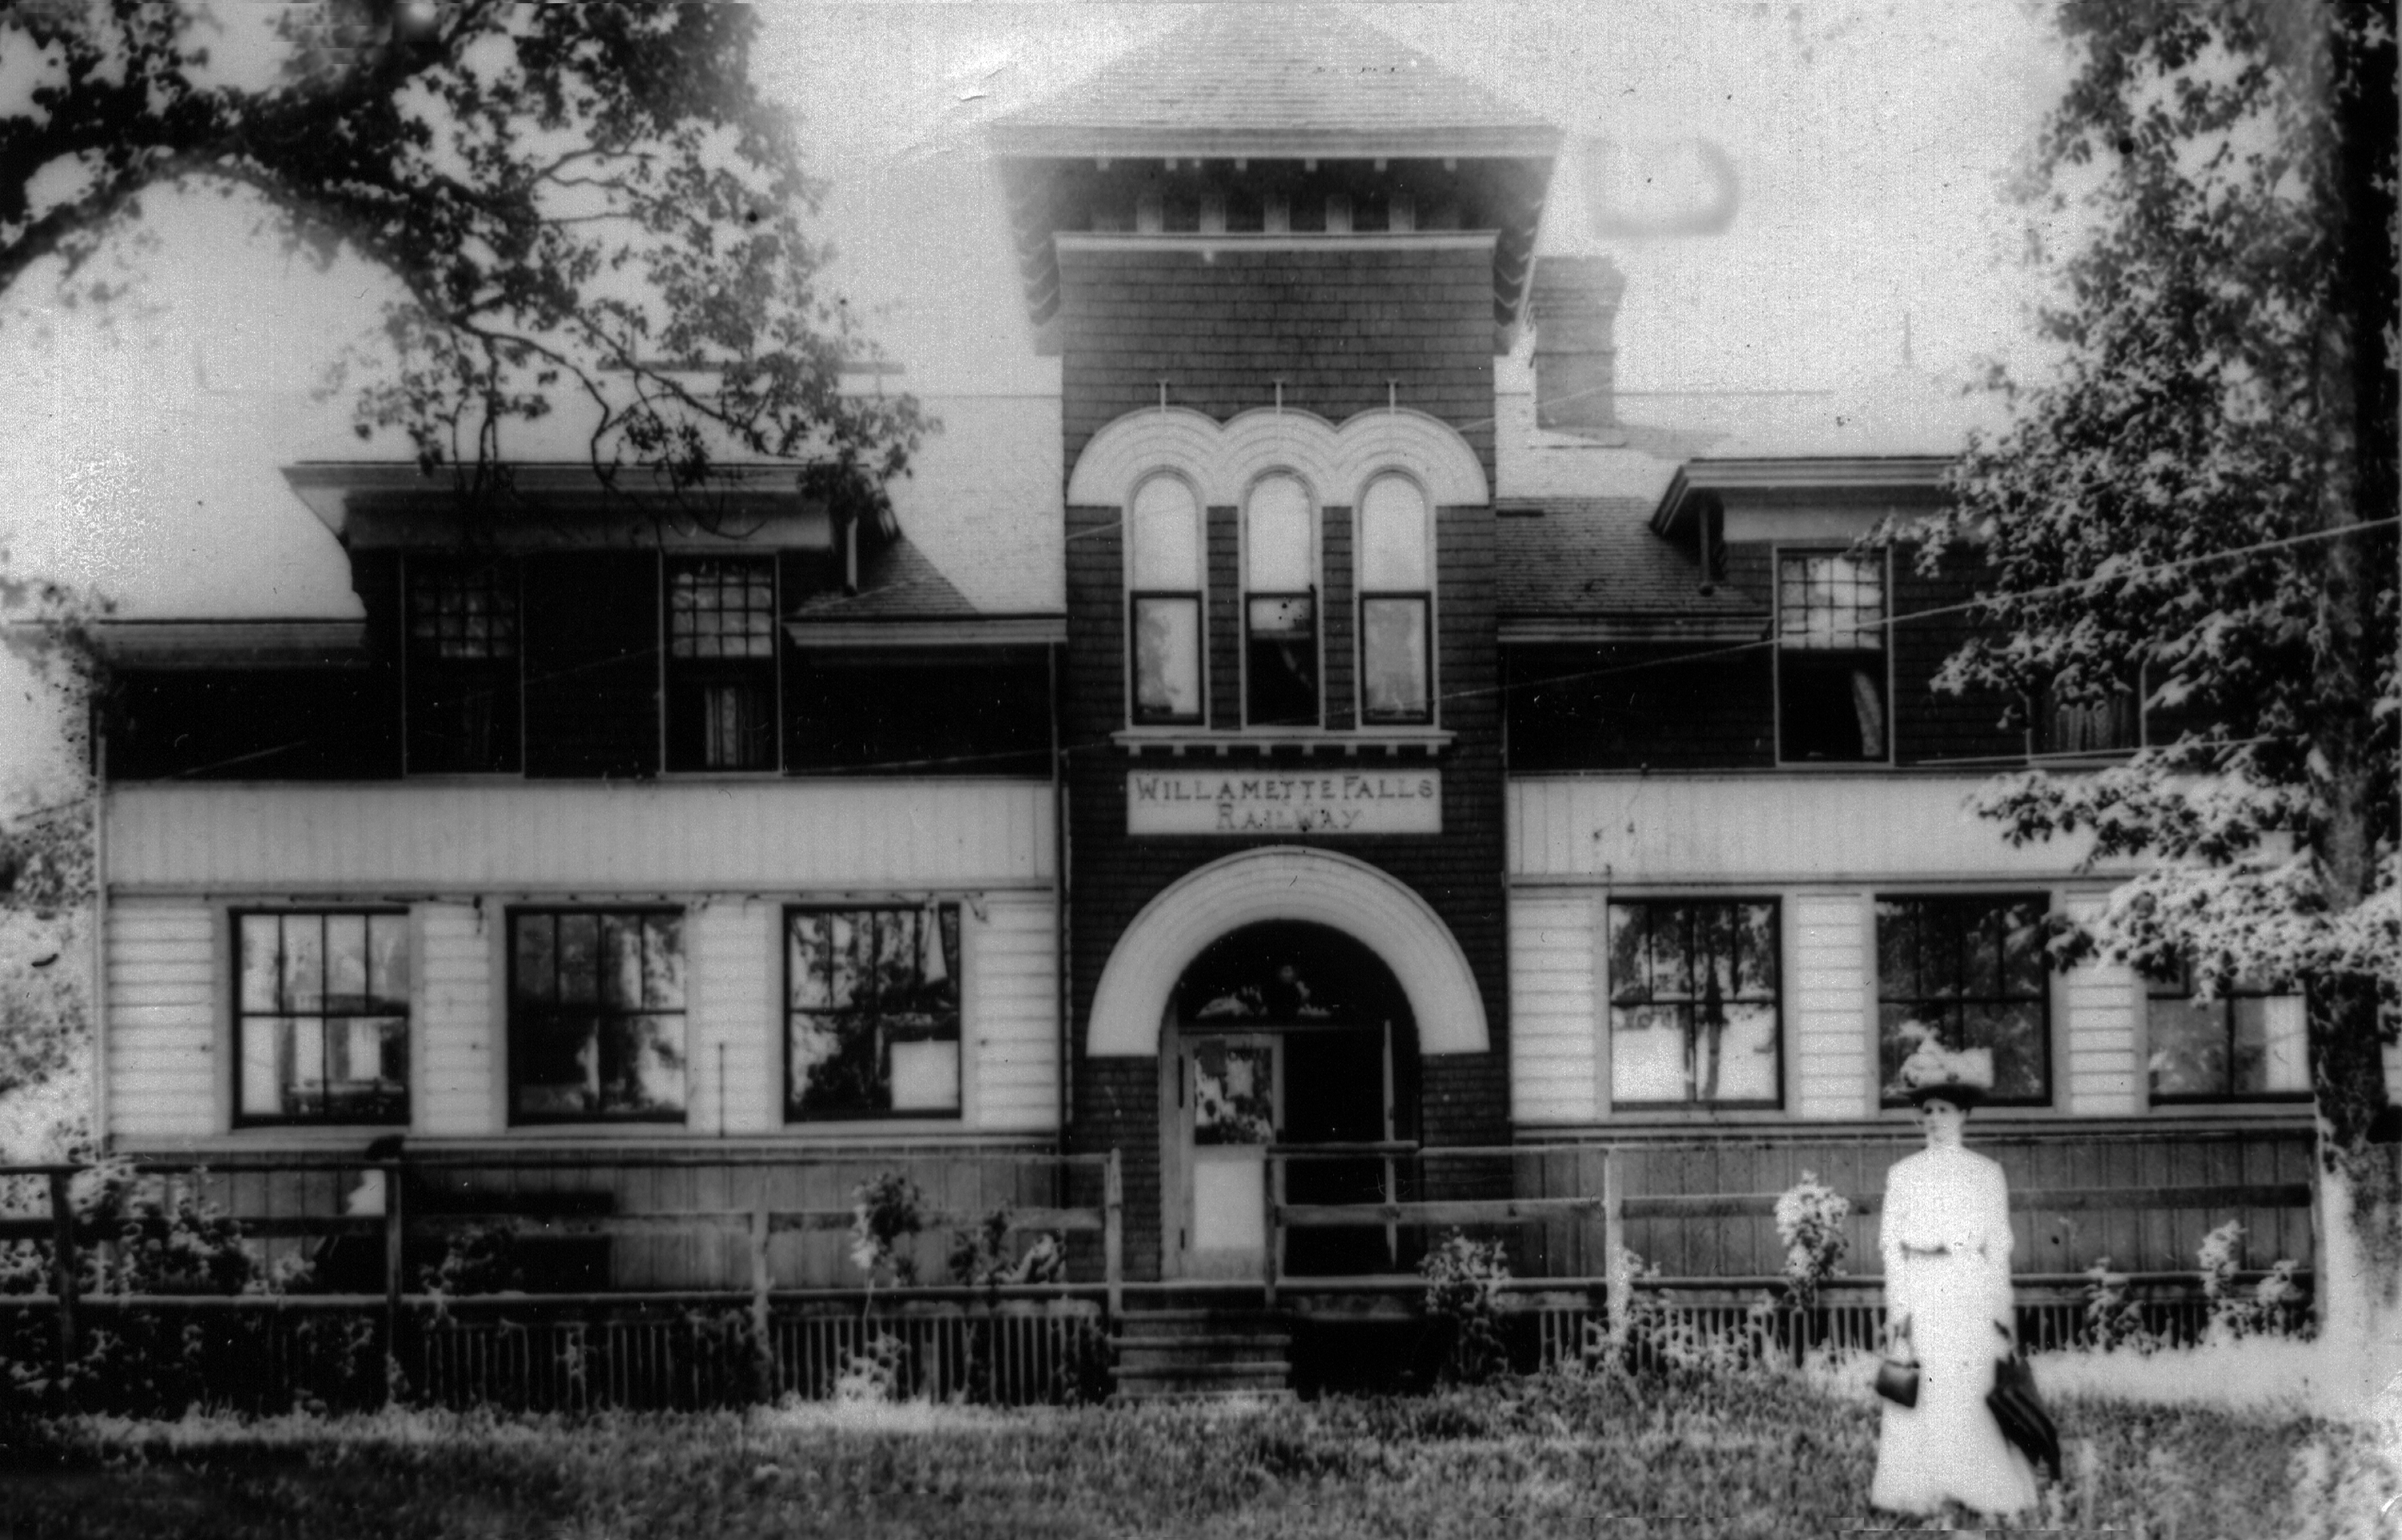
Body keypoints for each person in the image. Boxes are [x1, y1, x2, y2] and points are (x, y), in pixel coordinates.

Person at [1869, 1045, 2039, 1519]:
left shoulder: (1985, 1174)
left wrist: (2001, 1313)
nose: (1935, 1119)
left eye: (1945, 1110)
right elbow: (1891, 1247)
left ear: (1964, 1114)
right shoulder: (1903, 1175)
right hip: (1921, 1287)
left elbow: (1997, 1248)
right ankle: (1919, 1488)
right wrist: (1897, 1308)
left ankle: (1978, 1486)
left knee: (1968, 1386)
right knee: (1921, 1386)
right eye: (1927, 1111)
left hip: (1967, 1287)